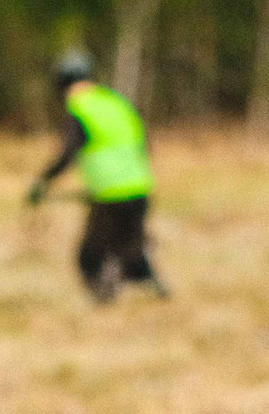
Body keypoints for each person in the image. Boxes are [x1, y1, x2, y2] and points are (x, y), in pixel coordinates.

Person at [26, 51, 165, 302]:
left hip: (108, 193)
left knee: (89, 255)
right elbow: (143, 144)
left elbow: (68, 153)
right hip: (140, 187)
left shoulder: (79, 109)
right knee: (131, 249)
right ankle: (154, 292)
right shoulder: (115, 102)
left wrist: (43, 182)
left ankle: (103, 301)